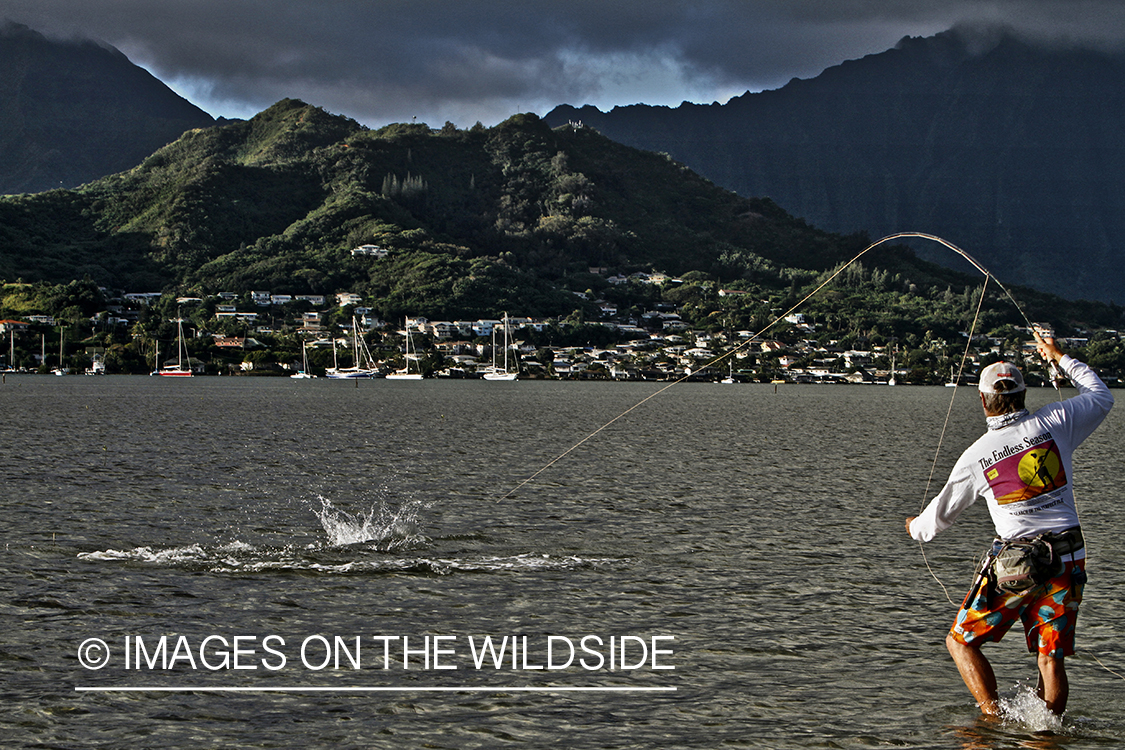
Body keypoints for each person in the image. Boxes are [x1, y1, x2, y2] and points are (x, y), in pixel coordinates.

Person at [906, 333, 1113, 716]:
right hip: (1069, 556)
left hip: (1016, 563)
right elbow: (1101, 396)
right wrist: (1058, 357)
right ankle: (1046, 737)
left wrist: (914, 527)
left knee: (961, 642)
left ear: (984, 401)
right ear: (1023, 395)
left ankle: (991, 720)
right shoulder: (1057, 420)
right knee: (1050, 659)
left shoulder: (977, 455)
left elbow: (936, 521)